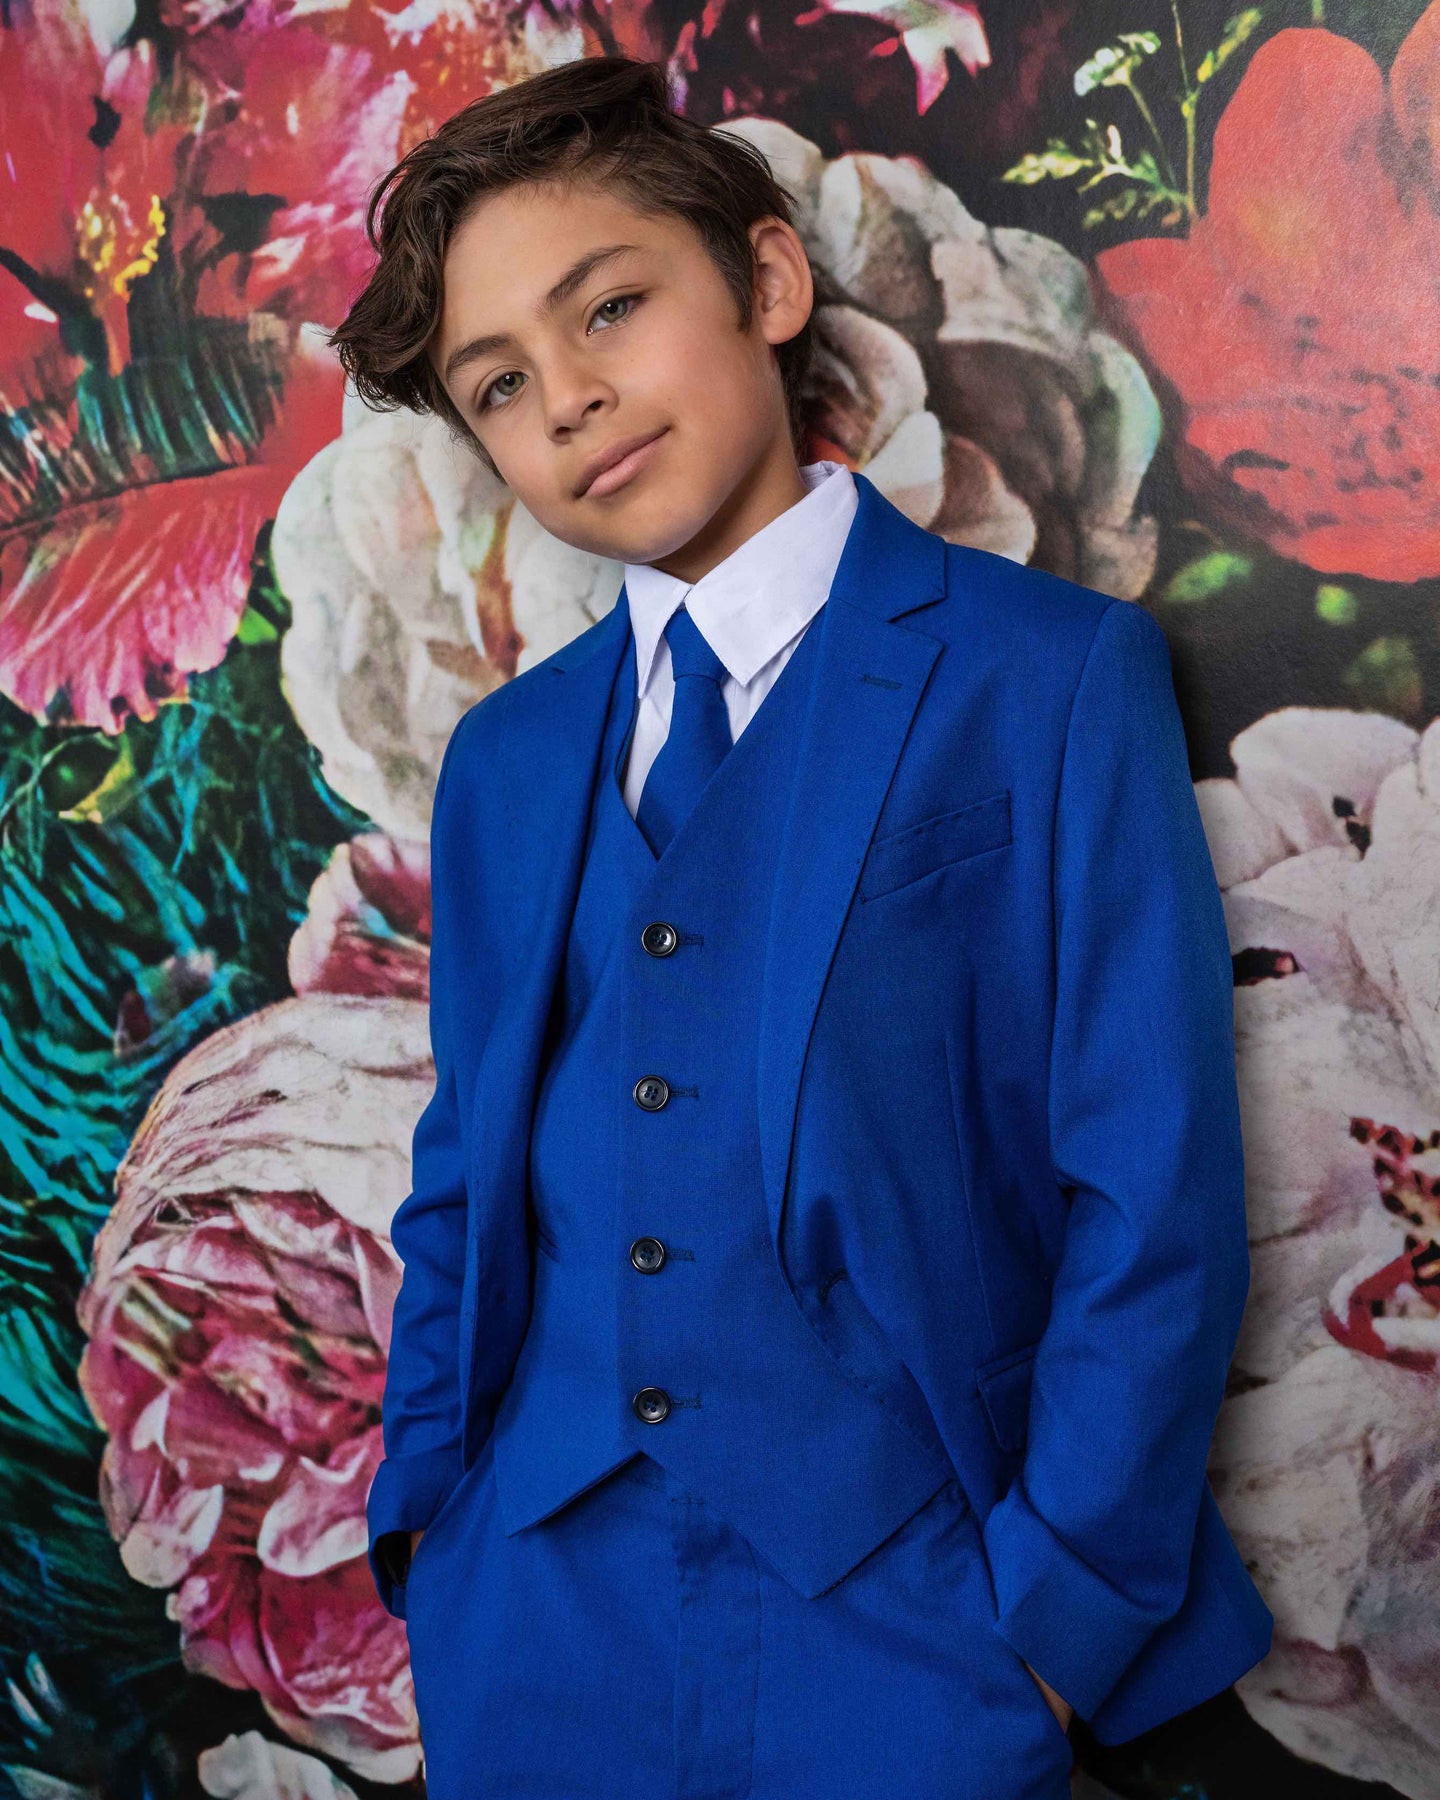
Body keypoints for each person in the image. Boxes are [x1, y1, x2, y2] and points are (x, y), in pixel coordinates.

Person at [326, 53, 1274, 1800]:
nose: (571, 398)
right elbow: (463, 1176)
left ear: (767, 282)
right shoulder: (506, 762)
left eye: (611, 307)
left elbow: (1152, 1187)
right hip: (536, 1620)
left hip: (919, 1629)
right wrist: (431, 1534)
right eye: (501, 383)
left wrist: (1050, 1634)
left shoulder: (1046, 676)